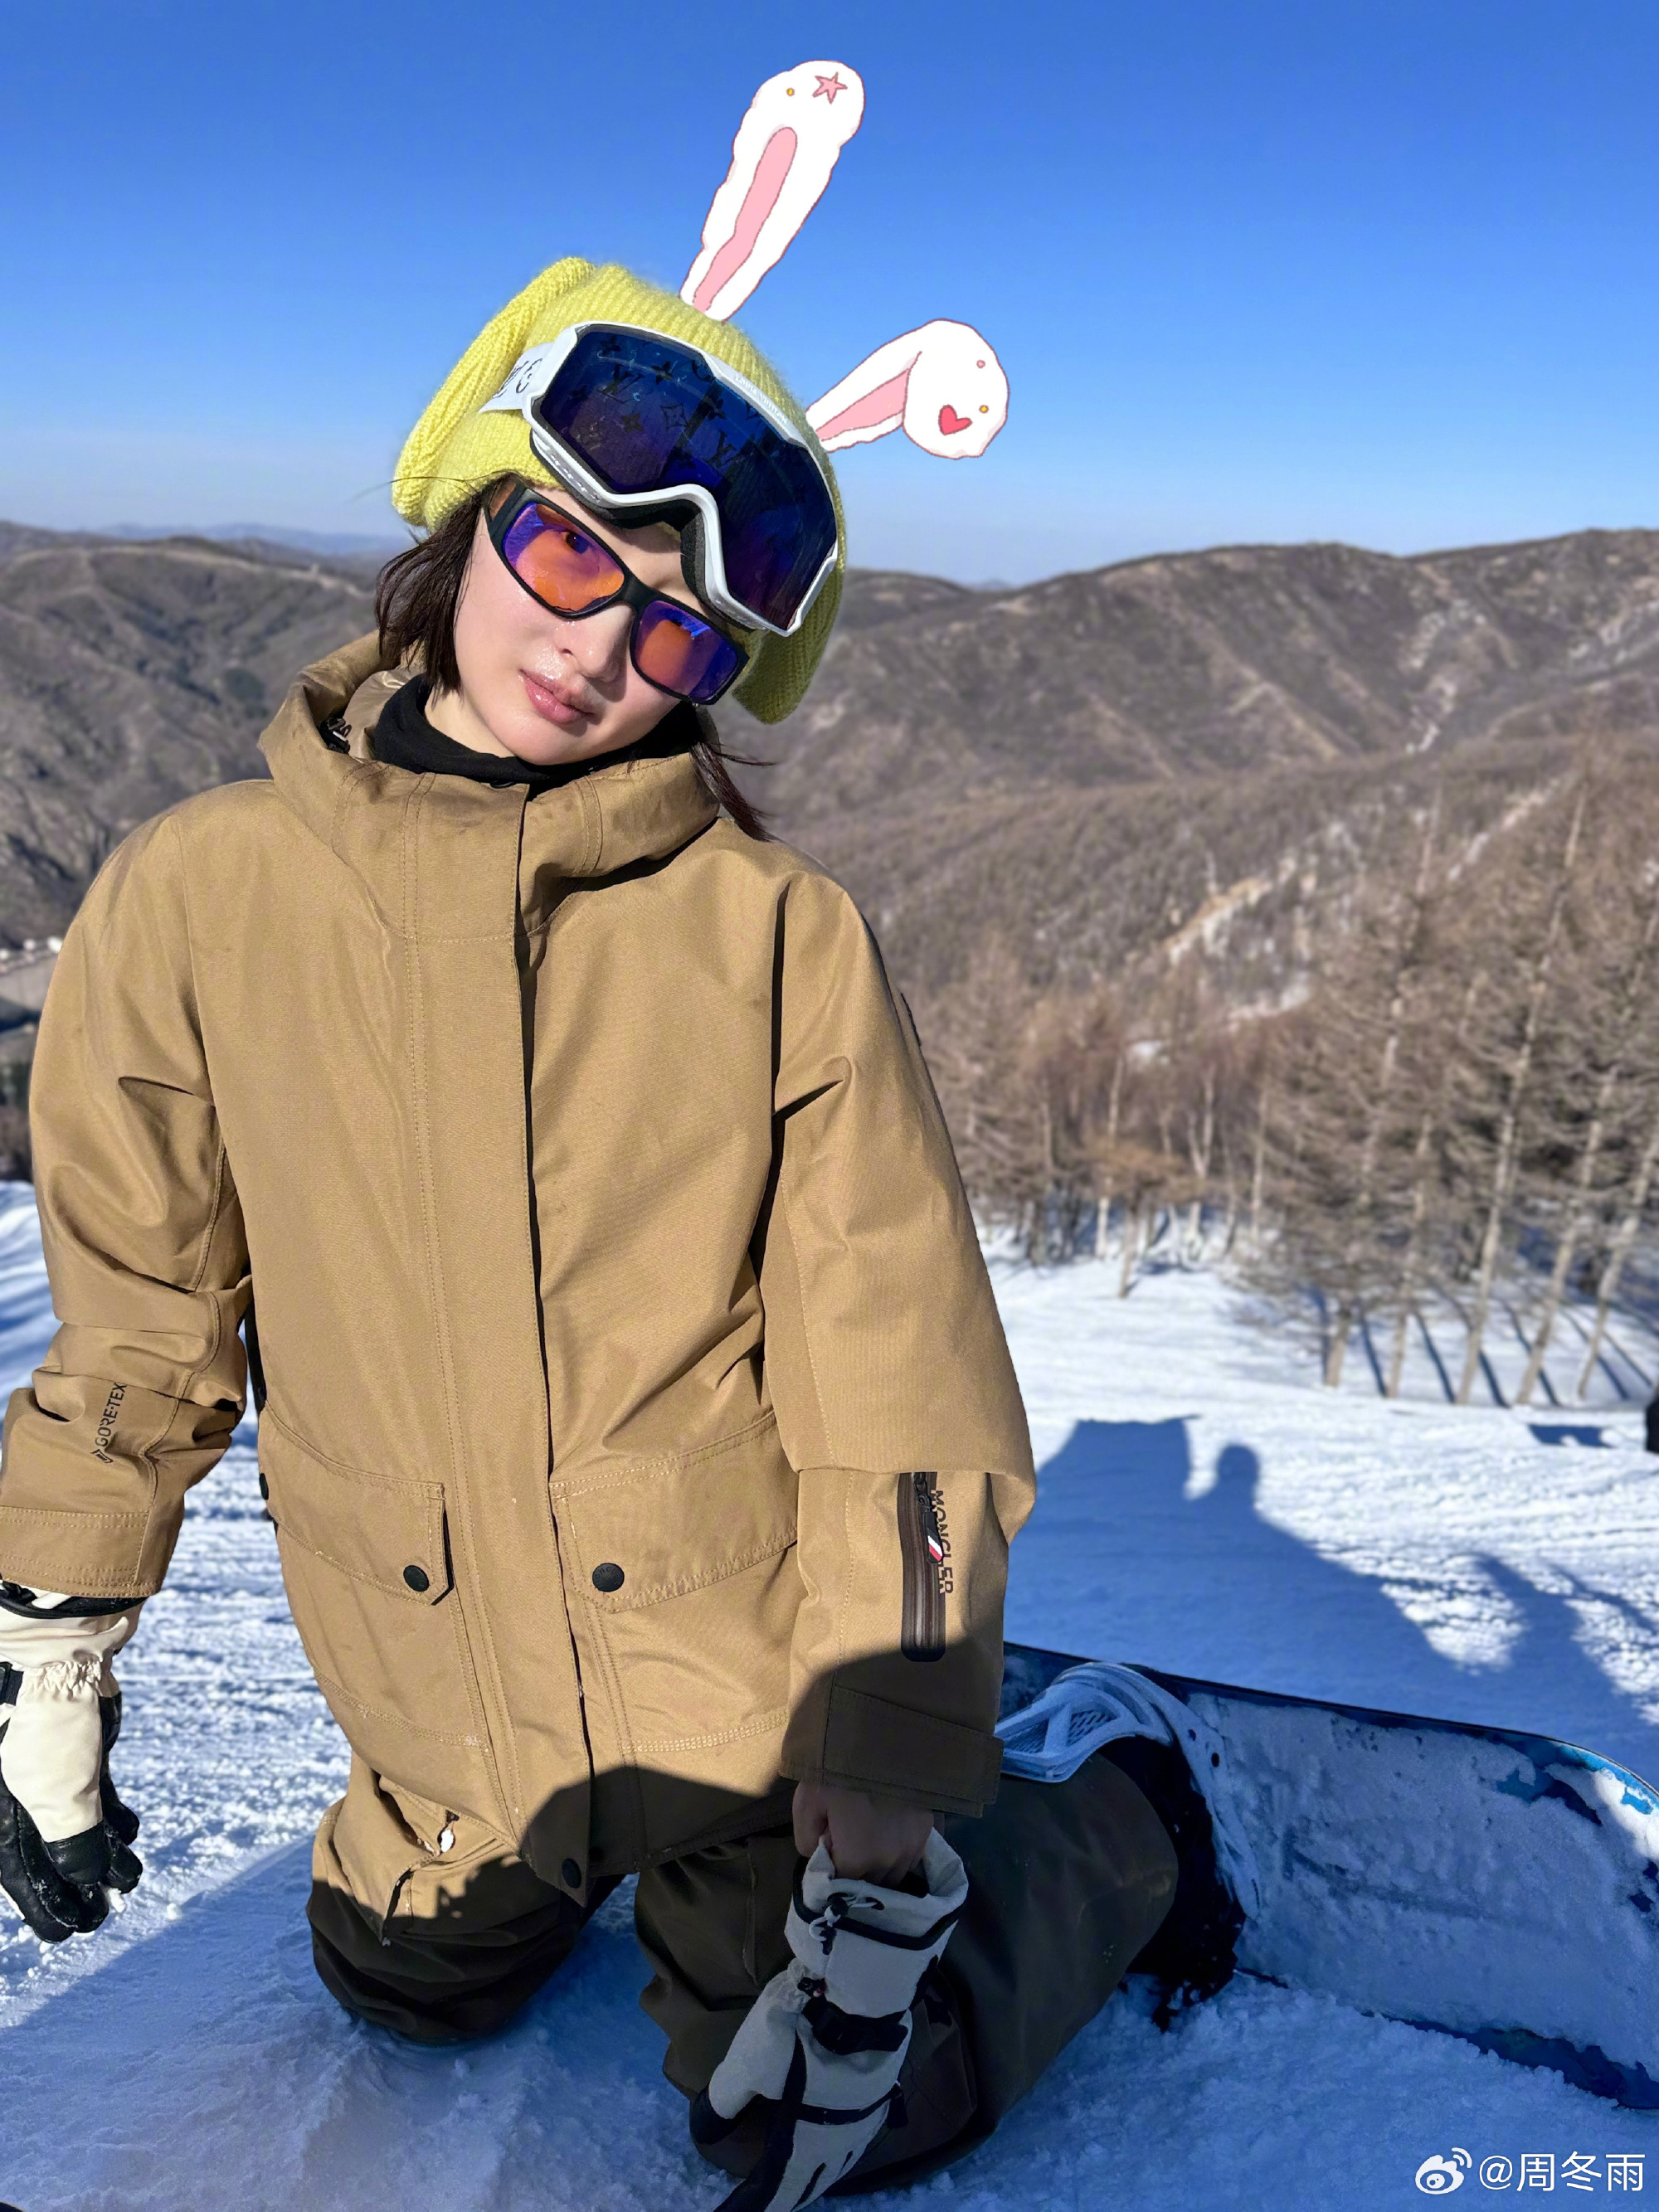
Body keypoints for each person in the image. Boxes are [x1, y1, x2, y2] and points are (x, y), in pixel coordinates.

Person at [0, 260, 1206, 2204]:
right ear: (469, 516)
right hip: (444, 1697)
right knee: (398, 1987)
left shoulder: (768, 938)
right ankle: (530, 1852)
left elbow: (892, 1369)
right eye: (569, 553)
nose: (593, 650)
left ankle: (1124, 1798)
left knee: (831, 2105)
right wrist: (49, 1636)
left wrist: (884, 1764)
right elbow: (142, 1319)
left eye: (674, 632)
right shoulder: (197, 898)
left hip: (737, 1697)